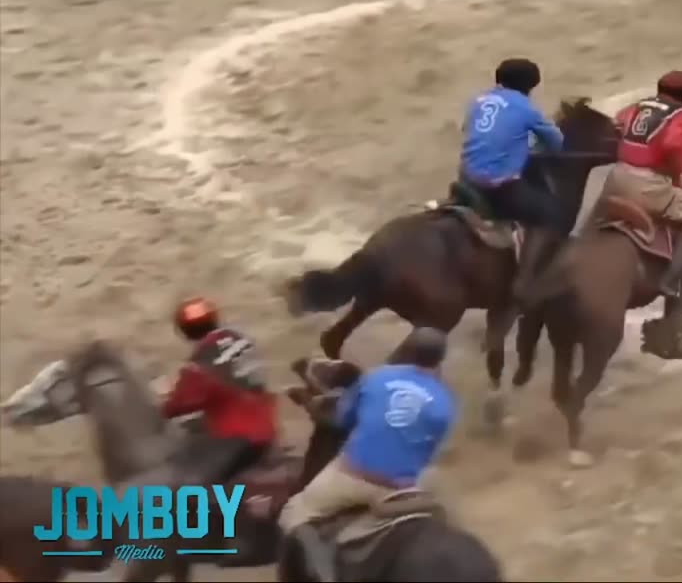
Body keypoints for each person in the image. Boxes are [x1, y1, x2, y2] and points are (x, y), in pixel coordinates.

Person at [279, 327, 457, 582]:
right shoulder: (445, 402)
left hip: (355, 478)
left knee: (294, 512)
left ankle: (323, 575)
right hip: (404, 488)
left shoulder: (377, 378)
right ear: (441, 358)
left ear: (408, 351)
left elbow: (342, 418)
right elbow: (429, 450)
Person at [459, 58, 572, 306]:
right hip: (497, 186)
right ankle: (524, 282)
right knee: (549, 214)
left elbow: (470, 131)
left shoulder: (478, 101)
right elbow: (557, 143)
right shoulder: (527, 109)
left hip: (465, 176)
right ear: (530, 86)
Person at [607, 70, 682, 297]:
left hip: (616, 177)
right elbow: (672, 145)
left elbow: (617, 122)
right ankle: (671, 280)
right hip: (647, 186)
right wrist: (681, 175)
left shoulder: (639, 105)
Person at [162, 297, 278, 485]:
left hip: (237, 442)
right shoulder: (242, 339)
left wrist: (162, 401)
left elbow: (175, 406)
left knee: (183, 481)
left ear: (184, 331)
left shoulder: (200, 363)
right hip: (267, 428)